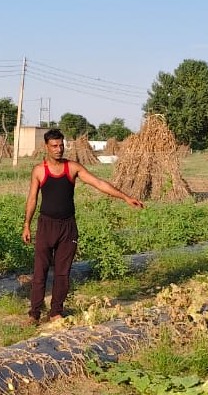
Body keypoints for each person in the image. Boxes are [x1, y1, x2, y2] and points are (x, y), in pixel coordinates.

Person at [22, 128, 144, 325]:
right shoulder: (39, 170)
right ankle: (34, 312)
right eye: (54, 146)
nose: (58, 149)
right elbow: (32, 199)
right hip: (46, 226)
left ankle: (55, 312)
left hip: (67, 227)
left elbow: (98, 183)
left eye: (61, 145)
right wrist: (26, 224)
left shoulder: (72, 168)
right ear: (46, 147)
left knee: (63, 272)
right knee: (40, 271)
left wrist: (125, 197)